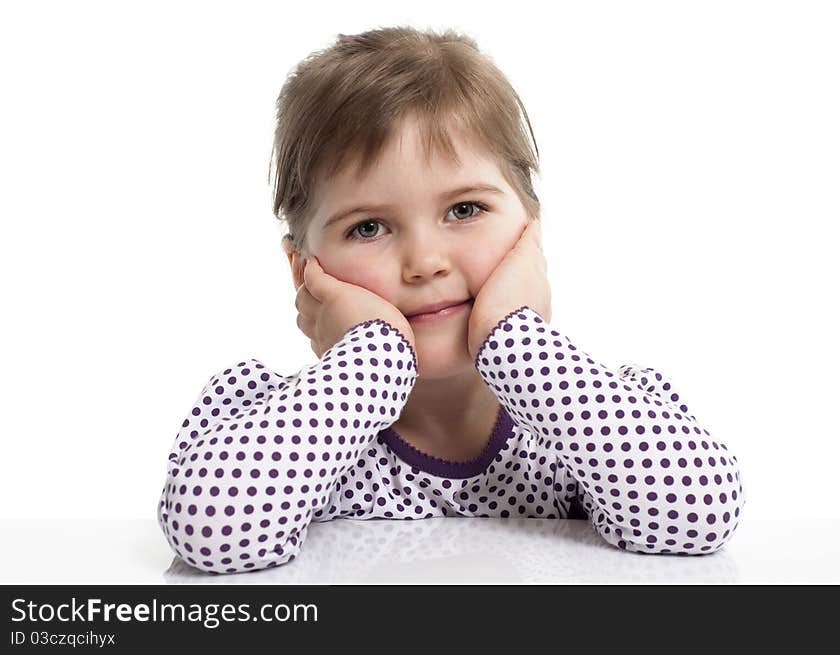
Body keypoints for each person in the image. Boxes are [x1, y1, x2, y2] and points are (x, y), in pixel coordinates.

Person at [157, 25, 745, 574]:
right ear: (304, 270)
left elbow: (698, 513)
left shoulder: (595, 411)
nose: (425, 263)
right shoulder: (265, 421)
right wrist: (373, 357)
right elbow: (212, 531)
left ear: (529, 234)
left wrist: (515, 338)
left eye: (464, 210)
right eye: (368, 228)